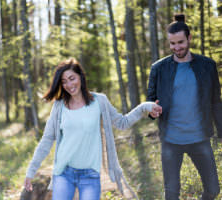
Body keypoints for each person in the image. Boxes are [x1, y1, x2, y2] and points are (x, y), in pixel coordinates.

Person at [23, 58, 162, 200]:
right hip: (64, 173)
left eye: (72, 78)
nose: (69, 85)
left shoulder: (99, 101)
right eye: (64, 82)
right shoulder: (59, 106)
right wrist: (31, 171)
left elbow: (122, 122)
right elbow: (46, 140)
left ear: (81, 77)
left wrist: (145, 107)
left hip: (90, 175)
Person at [147, 13, 222, 200]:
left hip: (200, 138)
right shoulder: (158, 68)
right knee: (171, 195)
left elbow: (215, 102)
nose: (176, 47)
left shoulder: (207, 66)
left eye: (180, 42)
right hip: (171, 141)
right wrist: (152, 111)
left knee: (213, 190)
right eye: (172, 44)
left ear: (189, 38)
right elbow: (150, 101)